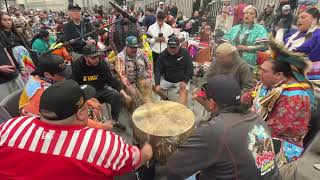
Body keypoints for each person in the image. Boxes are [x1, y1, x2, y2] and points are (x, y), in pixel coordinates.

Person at [0, 79, 153, 179]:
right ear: (80, 113)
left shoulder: (10, 126)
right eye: (86, 102)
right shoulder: (103, 143)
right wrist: (149, 141)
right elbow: (139, 159)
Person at [167, 75, 280, 180]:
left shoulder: (214, 130)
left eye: (204, 98)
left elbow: (175, 168)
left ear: (211, 103)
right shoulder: (255, 117)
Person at [242, 40, 315, 177]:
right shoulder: (266, 84)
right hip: (257, 131)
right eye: (260, 69)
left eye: (264, 71)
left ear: (280, 75)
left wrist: (240, 127)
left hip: (282, 145)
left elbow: (274, 128)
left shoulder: (295, 96)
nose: (259, 74)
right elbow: (249, 97)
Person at [72, 44, 127, 130]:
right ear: (86, 57)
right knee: (96, 111)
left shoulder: (102, 64)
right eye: (93, 58)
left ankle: (115, 120)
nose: (97, 59)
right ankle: (98, 129)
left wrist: (123, 92)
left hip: (100, 90)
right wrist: (89, 101)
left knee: (116, 95)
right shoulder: (77, 65)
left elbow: (110, 80)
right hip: (85, 93)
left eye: (98, 56)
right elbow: (75, 85)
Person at [0, 12, 34, 100]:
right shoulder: (1, 35)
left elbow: (26, 46)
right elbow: (6, 52)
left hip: (27, 63)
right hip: (16, 66)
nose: (8, 22)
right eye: (4, 20)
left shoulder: (17, 33)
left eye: (9, 20)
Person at [154, 36, 193, 105]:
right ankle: (166, 98)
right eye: (170, 47)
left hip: (181, 80)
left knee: (182, 101)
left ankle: (181, 108)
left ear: (179, 46)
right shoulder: (163, 54)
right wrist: (157, 84)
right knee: (154, 87)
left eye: (174, 48)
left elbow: (190, 68)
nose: (172, 49)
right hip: (167, 80)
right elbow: (158, 70)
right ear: (167, 46)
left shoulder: (185, 52)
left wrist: (185, 81)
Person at [116, 36, 152, 109]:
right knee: (134, 96)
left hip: (142, 78)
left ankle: (147, 107)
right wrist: (130, 87)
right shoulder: (120, 57)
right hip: (129, 82)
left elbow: (149, 65)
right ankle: (132, 110)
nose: (134, 50)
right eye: (132, 48)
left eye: (135, 47)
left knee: (147, 91)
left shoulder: (142, 52)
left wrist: (149, 77)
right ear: (126, 46)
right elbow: (122, 76)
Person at [284, 7, 320, 82]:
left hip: (304, 77)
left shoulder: (317, 35)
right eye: (298, 18)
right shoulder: (294, 33)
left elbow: (313, 58)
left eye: (303, 17)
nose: (299, 20)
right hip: (287, 71)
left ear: (314, 19)